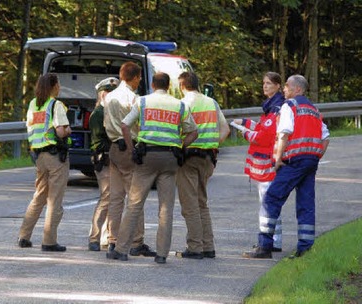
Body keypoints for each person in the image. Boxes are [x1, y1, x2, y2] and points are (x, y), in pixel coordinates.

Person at [106, 72, 198, 264]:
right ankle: (162, 254)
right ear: (168, 85)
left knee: (134, 204)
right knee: (166, 208)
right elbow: (193, 132)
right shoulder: (179, 105)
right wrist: (181, 146)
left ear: (153, 85)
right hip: (170, 158)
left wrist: (133, 150)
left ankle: (121, 249)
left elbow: (124, 126)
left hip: (146, 157)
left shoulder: (143, 102)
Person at [243, 74, 330, 259]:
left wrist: (277, 158)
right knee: (306, 204)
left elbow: (283, 134)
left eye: (287, 86)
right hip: (311, 161)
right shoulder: (314, 109)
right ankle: (305, 248)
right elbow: (325, 137)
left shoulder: (289, 106)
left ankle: (265, 246)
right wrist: (316, 155)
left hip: (293, 161)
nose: (284, 89)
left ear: (297, 89)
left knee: (271, 198)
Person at [102, 61, 155, 257]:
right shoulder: (135, 99)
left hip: (114, 148)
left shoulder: (109, 97)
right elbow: (139, 125)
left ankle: (113, 239)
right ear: (134, 78)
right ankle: (136, 241)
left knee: (115, 198)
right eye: (139, 76)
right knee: (135, 197)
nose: (140, 80)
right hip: (129, 147)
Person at [175, 71, 230, 260]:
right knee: (202, 203)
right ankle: (208, 246)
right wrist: (213, 146)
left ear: (182, 86)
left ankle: (195, 247)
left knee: (189, 204)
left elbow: (179, 131)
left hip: (189, 157)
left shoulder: (184, 104)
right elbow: (225, 129)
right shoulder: (211, 102)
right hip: (208, 158)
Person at [18, 73, 72, 252]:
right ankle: (49, 241)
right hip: (56, 156)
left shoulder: (33, 104)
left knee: (39, 196)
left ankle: (24, 236)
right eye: (59, 84)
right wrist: (68, 130)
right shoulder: (56, 105)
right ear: (54, 86)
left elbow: (30, 129)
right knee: (54, 199)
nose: (60, 87)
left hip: (39, 156)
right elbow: (60, 132)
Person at [232, 72, 285, 252]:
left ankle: (269, 242)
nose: (265, 86)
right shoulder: (270, 107)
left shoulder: (277, 107)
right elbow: (263, 127)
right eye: (264, 83)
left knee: (267, 204)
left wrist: (245, 132)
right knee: (269, 202)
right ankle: (273, 240)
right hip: (267, 165)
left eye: (269, 83)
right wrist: (246, 122)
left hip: (268, 165)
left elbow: (263, 137)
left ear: (278, 86)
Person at [88, 77, 119, 251]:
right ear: (103, 94)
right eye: (109, 93)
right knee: (106, 198)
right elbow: (109, 136)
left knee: (112, 198)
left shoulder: (107, 111)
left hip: (111, 159)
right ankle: (94, 237)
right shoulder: (100, 113)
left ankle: (106, 237)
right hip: (104, 159)